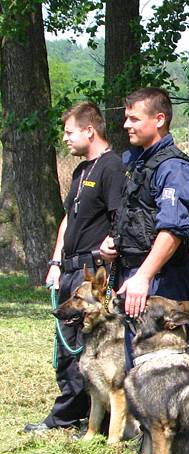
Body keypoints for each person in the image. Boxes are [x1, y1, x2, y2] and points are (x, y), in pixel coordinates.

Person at [99, 87, 189, 454]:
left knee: (170, 373)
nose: (126, 124)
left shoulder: (173, 167)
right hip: (138, 277)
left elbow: (173, 230)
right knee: (140, 370)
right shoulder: (139, 163)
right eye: (126, 117)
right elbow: (139, 221)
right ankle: (149, 453)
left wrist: (144, 274)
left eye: (134, 118)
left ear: (159, 119)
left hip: (163, 281)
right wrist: (115, 245)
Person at [24, 102, 125, 434]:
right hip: (68, 269)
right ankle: (75, 412)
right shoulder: (82, 170)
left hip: (91, 271)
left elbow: (117, 220)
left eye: (69, 132)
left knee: (89, 348)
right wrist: (55, 262)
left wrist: (107, 257)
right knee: (67, 349)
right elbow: (69, 219)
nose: (65, 139)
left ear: (89, 130)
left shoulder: (112, 167)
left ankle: (74, 416)